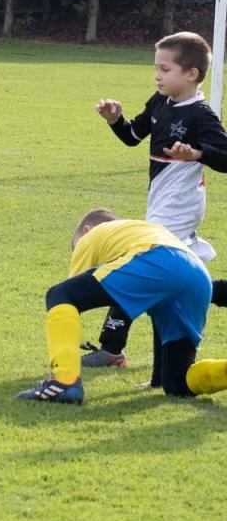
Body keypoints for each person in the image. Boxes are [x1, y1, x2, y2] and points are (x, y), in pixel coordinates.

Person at [82, 31, 227, 373]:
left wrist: (197, 154)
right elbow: (133, 136)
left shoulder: (201, 116)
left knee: (139, 268)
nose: (157, 76)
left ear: (191, 74)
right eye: (156, 68)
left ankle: (111, 347)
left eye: (165, 69)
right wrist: (115, 121)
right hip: (159, 203)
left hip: (180, 205)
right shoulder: (161, 102)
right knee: (172, 281)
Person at [17, 208, 227, 404]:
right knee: (177, 384)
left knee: (59, 294)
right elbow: (161, 319)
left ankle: (64, 382)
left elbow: (71, 295)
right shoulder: (136, 234)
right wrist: (157, 379)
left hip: (160, 258)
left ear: (86, 230)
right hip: (198, 275)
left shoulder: (91, 237)